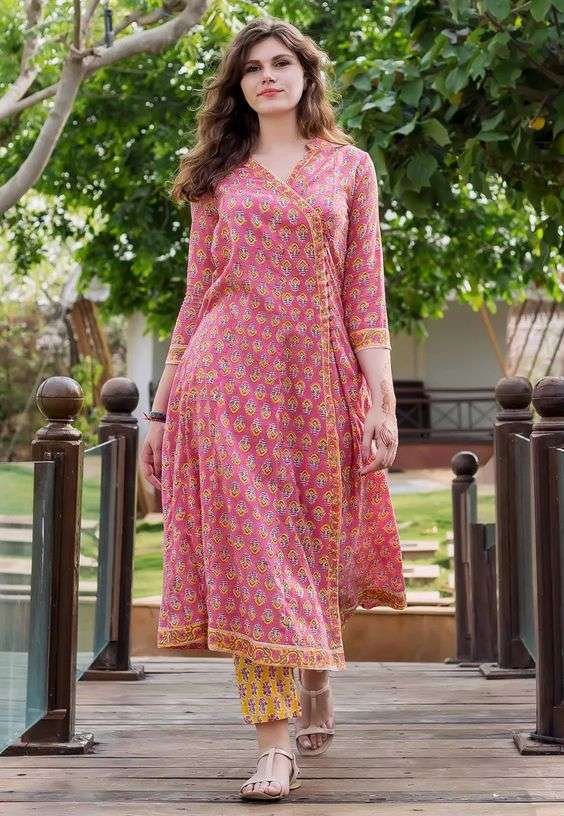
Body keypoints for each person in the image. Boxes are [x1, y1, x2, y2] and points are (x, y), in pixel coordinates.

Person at [140, 16, 406, 802]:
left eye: (281, 62)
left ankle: (314, 674)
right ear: (239, 87)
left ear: (305, 75)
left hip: (319, 385)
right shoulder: (220, 176)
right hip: (227, 379)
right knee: (254, 556)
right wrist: (161, 410)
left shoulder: (348, 167)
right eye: (252, 67)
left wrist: (381, 398)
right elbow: (198, 295)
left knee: (317, 548)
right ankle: (274, 744)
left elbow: (365, 289)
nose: (267, 76)